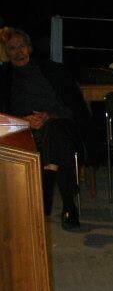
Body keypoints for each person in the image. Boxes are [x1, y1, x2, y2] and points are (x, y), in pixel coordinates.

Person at [0, 27, 93, 230]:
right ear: (6, 52)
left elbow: (73, 107)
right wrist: (23, 120)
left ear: (30, 47)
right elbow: (2, 116)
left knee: (55, 132)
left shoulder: (53, 70)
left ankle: (48, 188)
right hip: (21, 130)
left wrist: (49, 116)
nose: (18, 52)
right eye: (12, 48)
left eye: (22, 46)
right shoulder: (3, 78)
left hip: (59, 122)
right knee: (55, 141)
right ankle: (68, 205)